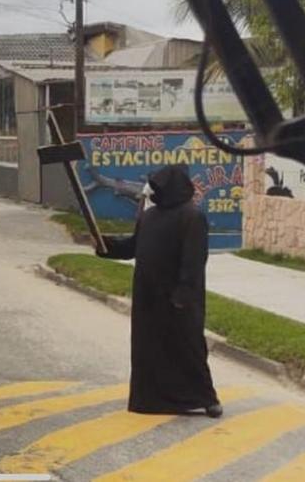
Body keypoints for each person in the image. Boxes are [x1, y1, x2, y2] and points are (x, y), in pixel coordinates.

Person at [96, 164, 222, 418]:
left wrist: (183, 294)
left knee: (188, 347)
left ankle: (205, 398)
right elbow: (132, 247)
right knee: (150, 349)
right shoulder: (149, 217)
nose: (154, 192)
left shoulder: (192, 217)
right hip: (148, 296)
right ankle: (151, 399)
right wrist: (104, 245)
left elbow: (194, 260)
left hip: (178, 298)